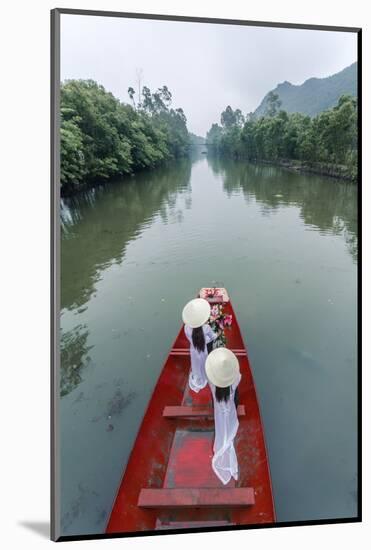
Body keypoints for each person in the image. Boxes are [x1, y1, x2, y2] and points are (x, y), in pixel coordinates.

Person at [205, 347, 241, 485]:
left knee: (221, 424)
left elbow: (209, 374)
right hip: (230, 411)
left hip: (219, 412)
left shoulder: (213, 385)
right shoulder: (234, 383)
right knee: (230, 421)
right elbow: (238, 376)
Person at [182, 298, 219, 392]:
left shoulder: (186, 328)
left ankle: (199, 380)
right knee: (203, 363)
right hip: (203, 349)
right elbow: (212, 337)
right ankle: (205, 377)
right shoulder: (206, 327)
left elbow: (190, 338)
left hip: (194, 350)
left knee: (196, 365)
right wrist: (217, 333)